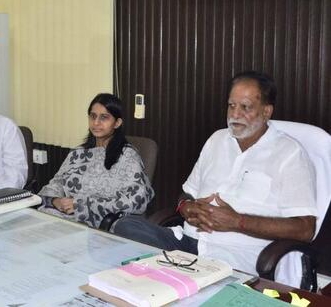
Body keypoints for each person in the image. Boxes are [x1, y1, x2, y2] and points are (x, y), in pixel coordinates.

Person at [112, 71, 317, 285]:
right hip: (187, 245)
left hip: (233, 257)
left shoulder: (290, 153)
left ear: (266, 111)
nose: (235, 114)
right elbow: (187, 192)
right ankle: (171, 278)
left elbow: (305, 228)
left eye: (245, 107)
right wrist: (185, 207)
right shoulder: (216, 140)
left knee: (151, 273)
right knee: (124, 225)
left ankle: (172, 279)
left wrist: (238, 222)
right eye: (231, 105)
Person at [37, 93, 154, 228]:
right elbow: (57, 184)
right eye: (93, 116)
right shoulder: (78, 153)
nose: (96, 122)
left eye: (104, 117)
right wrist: (54, 201)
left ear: (117, 123)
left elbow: (136, 199)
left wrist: (82, 205)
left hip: (98, 223)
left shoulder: (127, 156)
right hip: (63, 217)